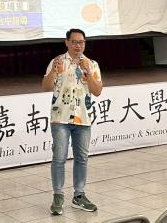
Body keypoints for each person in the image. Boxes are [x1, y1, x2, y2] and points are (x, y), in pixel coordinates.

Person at [41, 28, 103, 215]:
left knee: (82, 158)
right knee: (59, 158)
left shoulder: (91, 64)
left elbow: (97, 91)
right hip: (60, 117)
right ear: (66, 42)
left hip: (83, 117)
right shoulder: (57, 61)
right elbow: (45, 86)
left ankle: (79, 195)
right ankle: (58, 196)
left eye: (81, 42)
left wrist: (88, 73)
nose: (78, 45)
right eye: (74, 42)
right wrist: (53, 71)